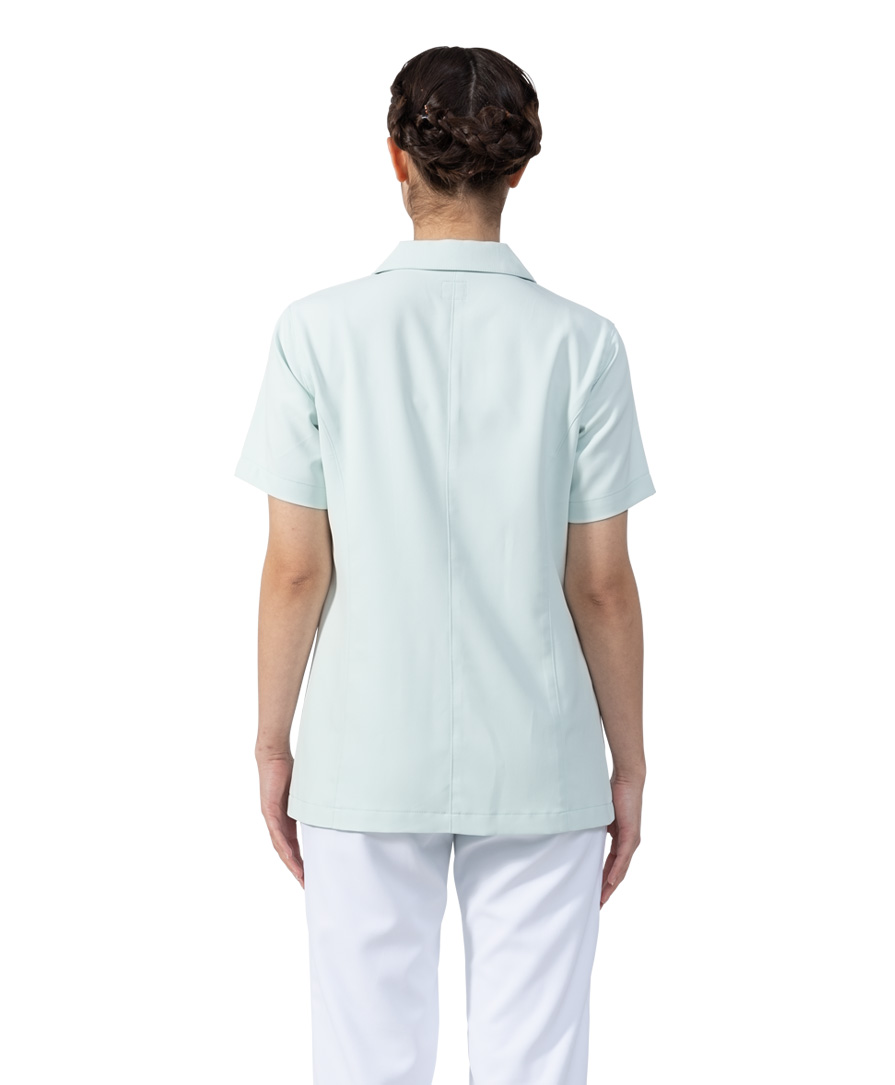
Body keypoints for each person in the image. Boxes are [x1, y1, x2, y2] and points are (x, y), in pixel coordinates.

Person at [234, 45, 656, 1085]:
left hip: (363, 753)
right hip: (541, 755)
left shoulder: (314, 333)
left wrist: (273, 744)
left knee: (364, 1061)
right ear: (520, 168)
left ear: (396, 158)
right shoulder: (583, 343)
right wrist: (628, 761)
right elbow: (599, 583)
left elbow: (296, 570)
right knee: (534, 1063)